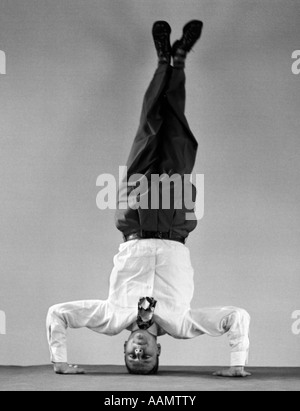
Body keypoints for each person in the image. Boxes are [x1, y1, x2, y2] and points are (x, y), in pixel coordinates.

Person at [47, 21, 251, 378]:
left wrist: (60, 361)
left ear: (124, 347)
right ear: (160, 350)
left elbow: (58, 314)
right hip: (174, 224)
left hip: (136, 221)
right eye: (147, 358)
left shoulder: (111, 317)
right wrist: (237, 364)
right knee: (178, 135)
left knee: (148, 128)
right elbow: (237, 317)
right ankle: (179, 60)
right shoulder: (183, 324)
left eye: (132, 357)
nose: (139, 352)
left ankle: (163, 62)